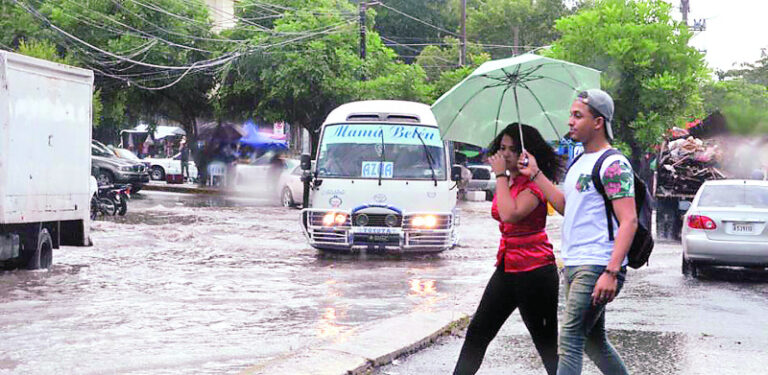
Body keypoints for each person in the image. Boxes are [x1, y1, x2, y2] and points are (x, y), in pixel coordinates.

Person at [518, 89, 636, 375]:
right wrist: (536, 174)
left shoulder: (613, 164)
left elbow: (629, 220)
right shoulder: (578, 162)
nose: (570, 121)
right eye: (571, 115)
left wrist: (611, 272)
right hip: (574, 262)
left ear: (598, 122)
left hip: (597, 264)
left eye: (577, 116)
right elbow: (565, 207)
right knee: (594, 342)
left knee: (570, 339)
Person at [453, 123, 563, 375]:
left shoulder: (533, 185)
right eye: (502, 148)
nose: (505, 154)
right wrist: (504, 178)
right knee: (477, 332)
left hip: (535, 271)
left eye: (513, 149)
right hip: (507, 266)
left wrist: (500, 176)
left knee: (546, 346)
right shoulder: (510, 182)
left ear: (526, 152)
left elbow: (509, 214)